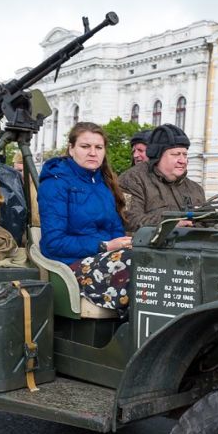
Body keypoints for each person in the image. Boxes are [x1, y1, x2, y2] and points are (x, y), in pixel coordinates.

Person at [38, 122, 133, 315]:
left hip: (104, 259)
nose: (93, 153)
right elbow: (53, 243)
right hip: (70, 266)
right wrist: (104, 246)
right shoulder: (55, 184)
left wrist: (125, 243)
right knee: (134, 262)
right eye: (85, 146)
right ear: (71, 149)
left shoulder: (104, 184)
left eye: (99, 147)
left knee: (152, 258)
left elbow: (116, 232)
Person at [119, 124, 205, 232]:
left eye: (185, 155)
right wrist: (169, 223)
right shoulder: (132, 180)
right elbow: (129, 219)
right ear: (158, 156)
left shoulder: (196, 189)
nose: (182, 161)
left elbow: (211, 224)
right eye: (176, 154)